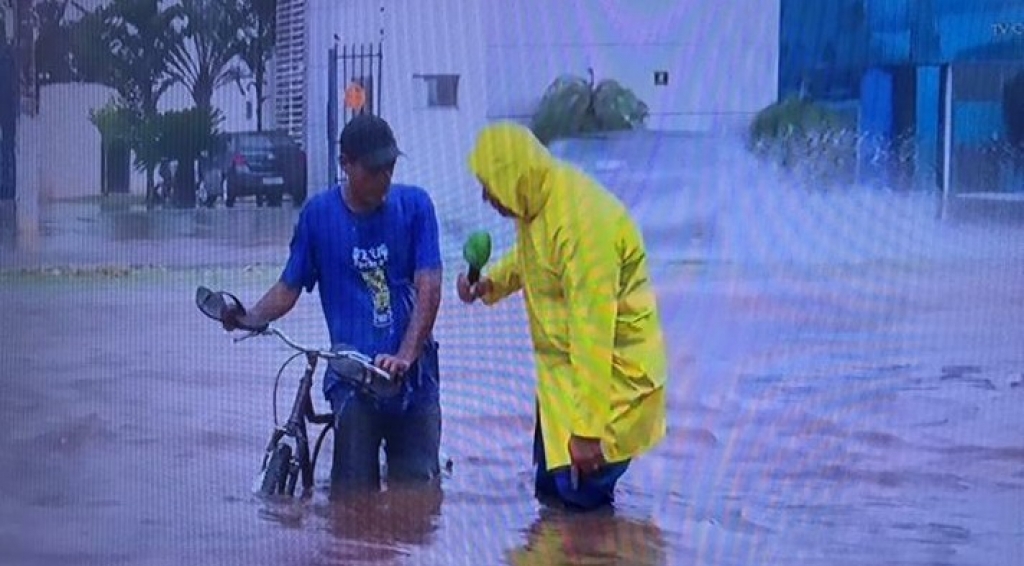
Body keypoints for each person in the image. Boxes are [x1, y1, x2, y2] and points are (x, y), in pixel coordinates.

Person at [224, 113, 444, 495]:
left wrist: (406, 355)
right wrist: (248, 317)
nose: (384, 179)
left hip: (413, 379)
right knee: (351, 501)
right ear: (345, 164)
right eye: (374, 170)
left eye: (390, 168)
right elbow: (288, 287)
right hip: (352, 379)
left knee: (418, 501)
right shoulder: (318, 216)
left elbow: (430, 287)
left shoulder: (416, 207)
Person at [457, 122, 668, 511]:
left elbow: (593, 334)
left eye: (491, 185)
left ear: (514, 177)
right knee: (551, 495)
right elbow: (532, 260)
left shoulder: (584, 224)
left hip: (611, 386)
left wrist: (588, 432)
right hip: (563, 383)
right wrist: (489, 284)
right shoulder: (536, 205)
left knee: (582, 504)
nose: (487, 198)